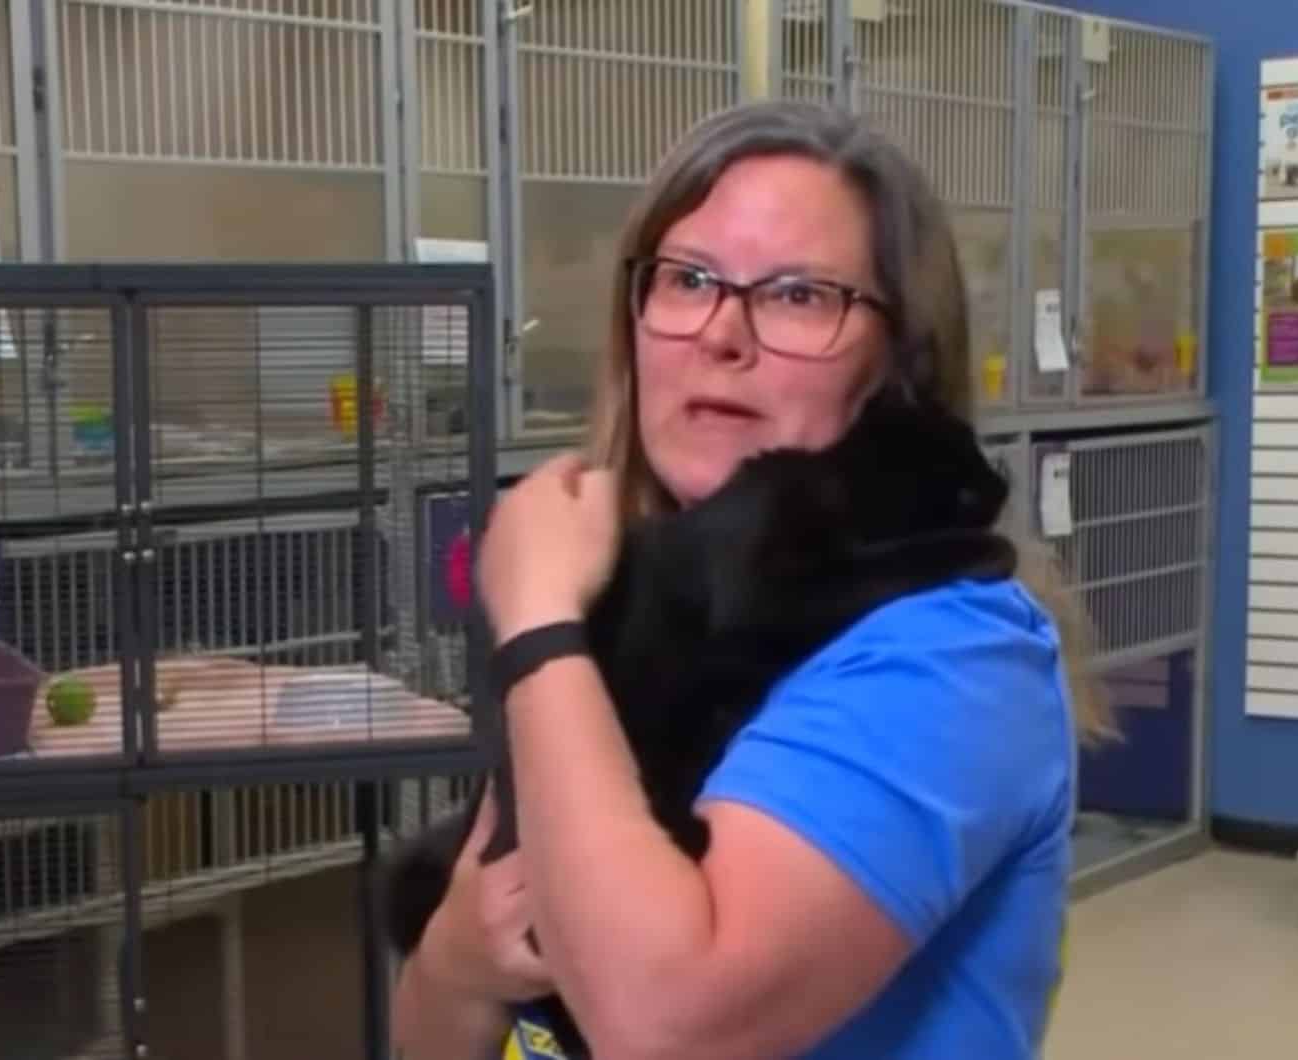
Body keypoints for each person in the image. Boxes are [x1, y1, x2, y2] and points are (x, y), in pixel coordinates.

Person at [392, 98, 1112, 1060]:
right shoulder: (628, 596)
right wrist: (451, 965)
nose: (721, 334)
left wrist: (535, 624)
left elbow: (669, 1025)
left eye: (799, 295)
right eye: (688, 279)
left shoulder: (949, 655)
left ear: (896, 363)